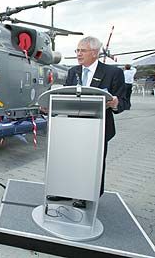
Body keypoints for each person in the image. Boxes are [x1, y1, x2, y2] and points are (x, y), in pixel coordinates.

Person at [48, 36, 127, 209]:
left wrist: (115, 103)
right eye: (77, 50)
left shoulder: (114, 73)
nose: (78, 54)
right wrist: (52, 107)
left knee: (92, 163)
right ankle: (64, 190)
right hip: (72, 127)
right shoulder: (73, 71)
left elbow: (124, 101)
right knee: (68, 159)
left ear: (94, 52)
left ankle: (86, 194)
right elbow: (66, 97)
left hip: (98, 127)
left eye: (82, 51)